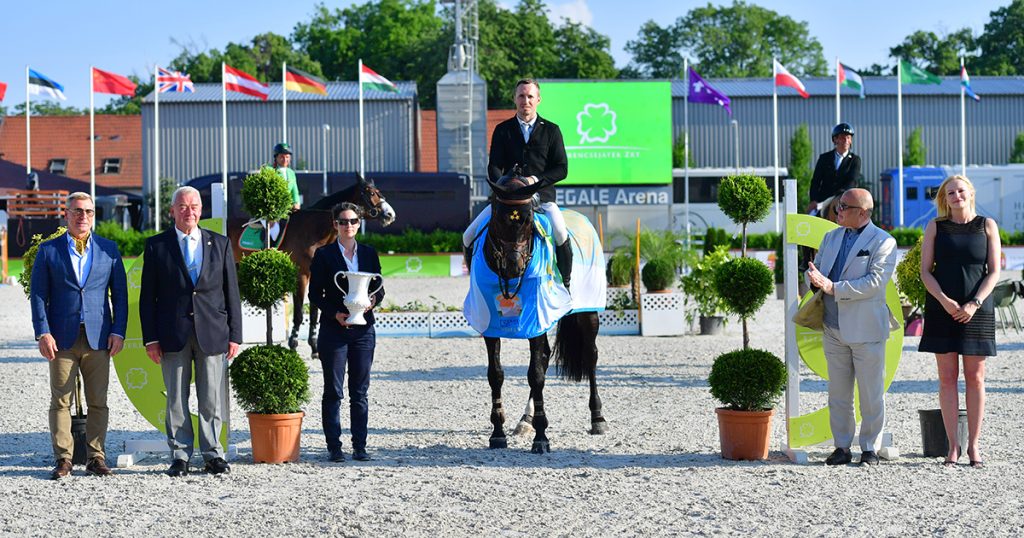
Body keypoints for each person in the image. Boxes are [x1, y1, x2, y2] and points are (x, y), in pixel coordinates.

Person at [139, 186, 242, 477]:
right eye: (182, 206)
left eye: (194, 206)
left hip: (213, 332)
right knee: (175, 399)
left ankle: (213, 455)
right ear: (172, 210)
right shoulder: (157, 246)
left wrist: (235, 335)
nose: (189, 211)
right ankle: (180, 456)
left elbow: (231, 292)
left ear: (201, 209)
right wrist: (151, 338)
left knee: (211, 398)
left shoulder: (219, 244)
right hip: (172, 334)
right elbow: (148, 298)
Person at [30, 192, 128, 479]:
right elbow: (38, 296)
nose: (82, 216)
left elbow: (119, 296)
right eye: (76, 211)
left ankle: (96, 457)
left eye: (88, 211)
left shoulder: (109, 250)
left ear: (94, 215)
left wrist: (119, 331)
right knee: (60, 400)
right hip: (61, 339)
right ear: (66, 215)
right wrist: (43, 332)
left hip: (99, 337)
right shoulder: (49, 251)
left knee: (98, 400)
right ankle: (64, 458)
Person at [805, 188, 898, 466]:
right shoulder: (830, 237)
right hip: (832, 327)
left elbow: (874, 283)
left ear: (864, 213)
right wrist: (813, 277)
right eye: (838, 205)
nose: (838, 211)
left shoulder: (884, 241)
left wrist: (832, 287)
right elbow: (818, 270)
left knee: (871, 394)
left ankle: (870, 447)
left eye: (845, 206)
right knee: (838, 393)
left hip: (866, 329)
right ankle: (842, 447)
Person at [918, 175, 1000, 468]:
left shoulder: (987, 225)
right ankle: (953, 447)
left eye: (960, 190)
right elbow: (925, 271)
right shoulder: (935, 227)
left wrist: (974, 303)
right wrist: (945, 301)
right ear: (945, 197)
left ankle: (974, 447)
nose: (956, 195)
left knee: (976, 378)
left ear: (970, 193)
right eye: (950, 192)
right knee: (947, 378)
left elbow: (993, 272)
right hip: (943, 308)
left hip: (978, 309)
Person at [463, 78, 572, 287]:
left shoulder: (552, 130)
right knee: (468, 236)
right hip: (507, 199)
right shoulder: (503, 129)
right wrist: (503, 185)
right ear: (515, 99)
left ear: (538, 99)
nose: (526, 101)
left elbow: (562, 168)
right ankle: (476, 282)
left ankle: (566, 283)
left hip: (541, 199)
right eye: (521, 96)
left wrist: (535, 179)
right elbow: (493, 165)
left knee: (560, 231)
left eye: (530, 96)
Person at [308, 202, 384, 463]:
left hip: (364, 331)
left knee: (360, 392)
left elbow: (379, 288)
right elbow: (315, 293)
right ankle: (334, 446)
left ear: (359, 223)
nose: (348, 225)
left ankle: (360, 445)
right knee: (333, 390)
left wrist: (373, 301)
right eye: (343, 221)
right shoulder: (324, 254)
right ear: (335, 225)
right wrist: (334, 314)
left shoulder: (369, 253)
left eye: (352, 221)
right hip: (334, 330)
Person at [808, 123, 862, 215]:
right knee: (812, 215)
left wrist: (840, 195)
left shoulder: (855, 160)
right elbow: (816, 181)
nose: (846, 140)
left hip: (844, 200)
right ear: (835, 139)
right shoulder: (824, 158)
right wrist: (814, 199)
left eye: (848, 138)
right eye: (842, 137)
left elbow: (852, 181)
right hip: (823, 201)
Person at [272, 142, 301, 211]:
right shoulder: (270, 170)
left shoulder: (291, 173)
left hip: (288, 208)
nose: (285, 160)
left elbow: (295, 192)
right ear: (276, 157)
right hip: (273, 209)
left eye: (287, 157)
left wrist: (296, 203)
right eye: (282, 157)